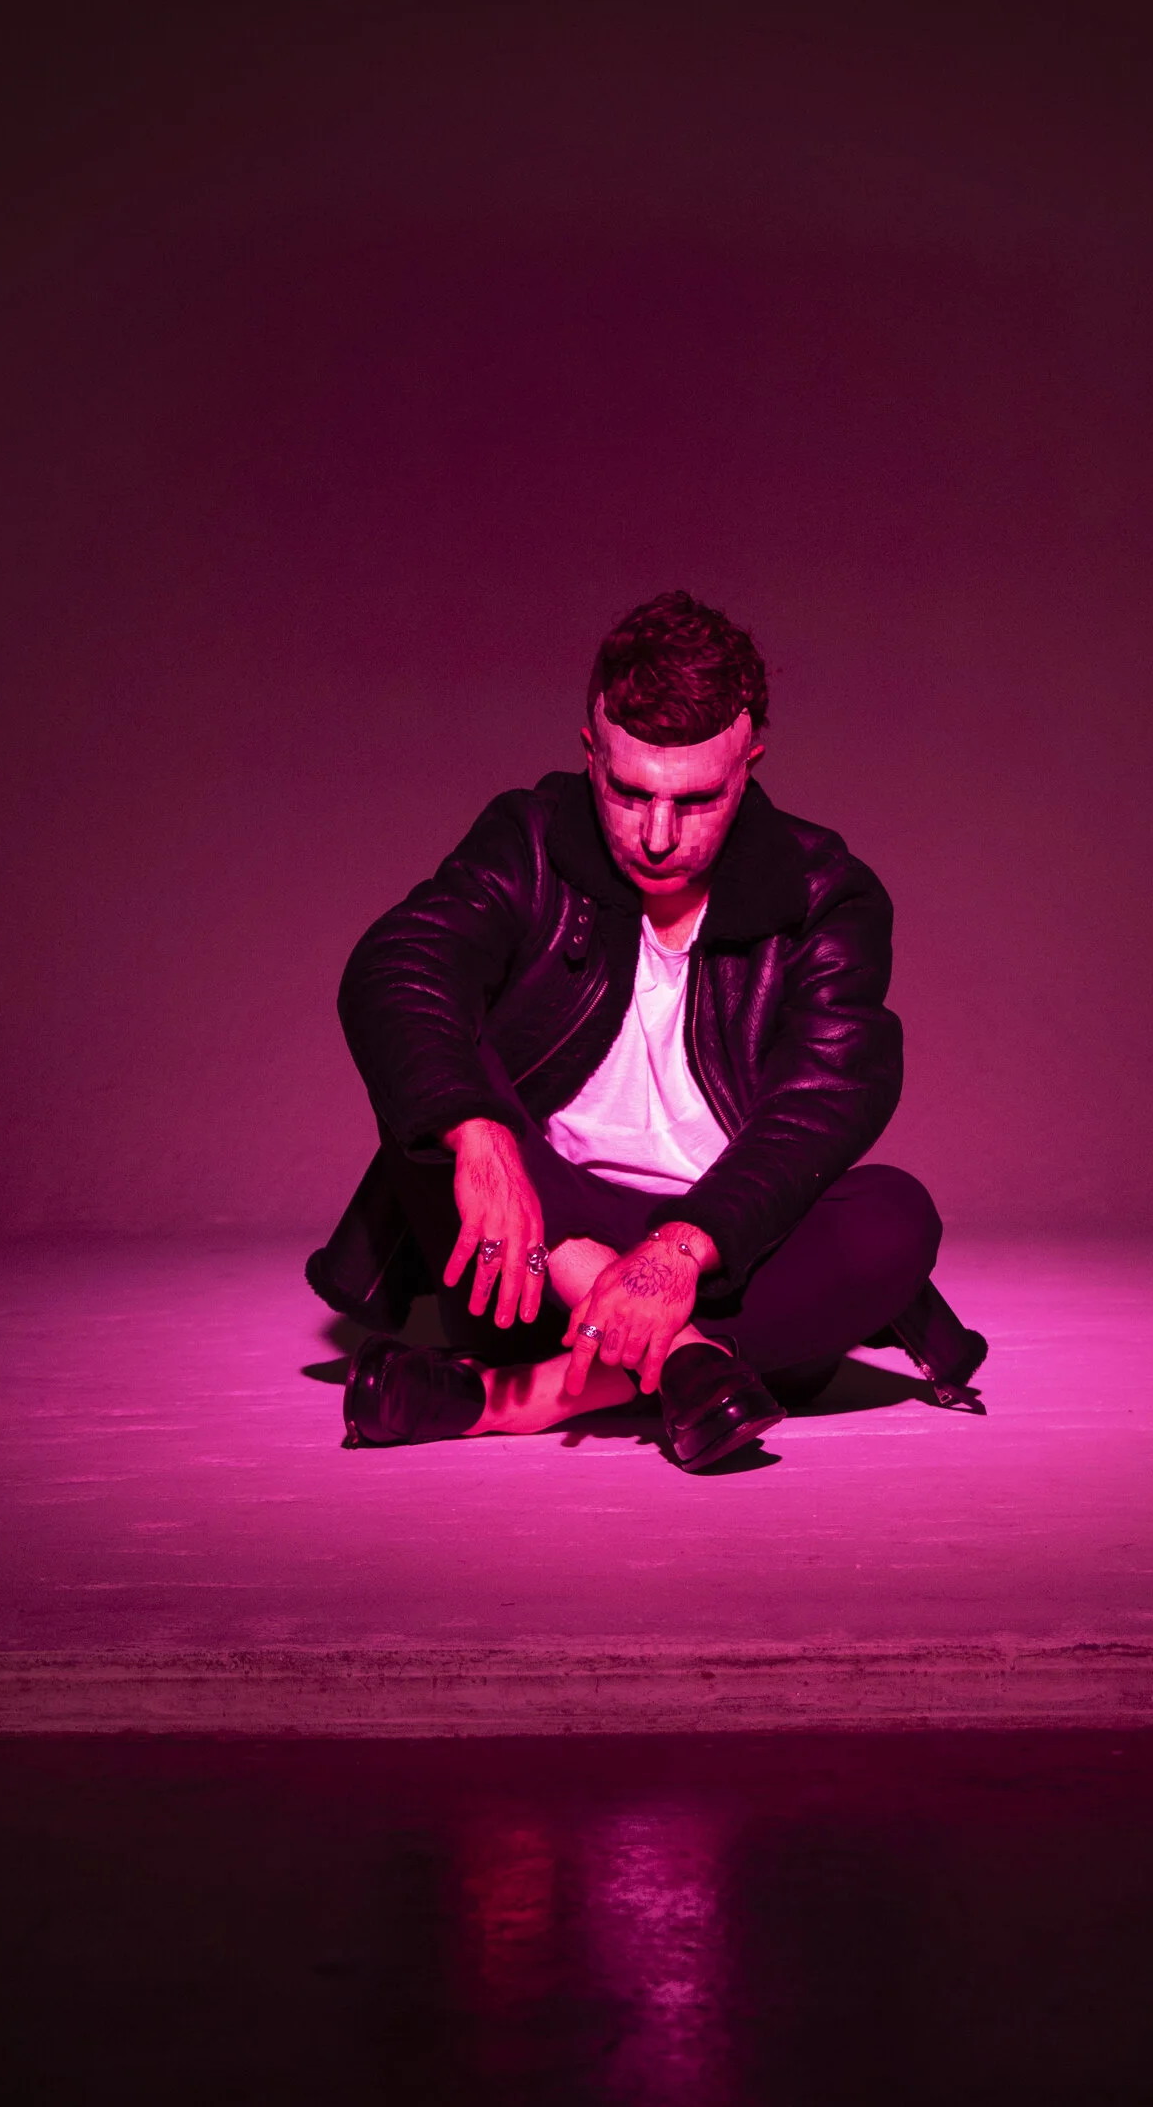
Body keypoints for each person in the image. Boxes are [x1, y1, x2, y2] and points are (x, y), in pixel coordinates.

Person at [307, 590, 984, 1471]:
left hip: (724, 1257)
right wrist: (478, 1135)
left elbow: (823, 1104)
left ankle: (518, 1398)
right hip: (532, 1259)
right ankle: (689, 1366)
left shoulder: (824, 894)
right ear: (591, 753)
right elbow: (397, 964)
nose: (658, 836)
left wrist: (675, 1256)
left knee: (893, 1218)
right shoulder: (529, 842)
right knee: (432, 1066)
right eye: (629, 793)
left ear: (749, 764)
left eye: (697, 800)